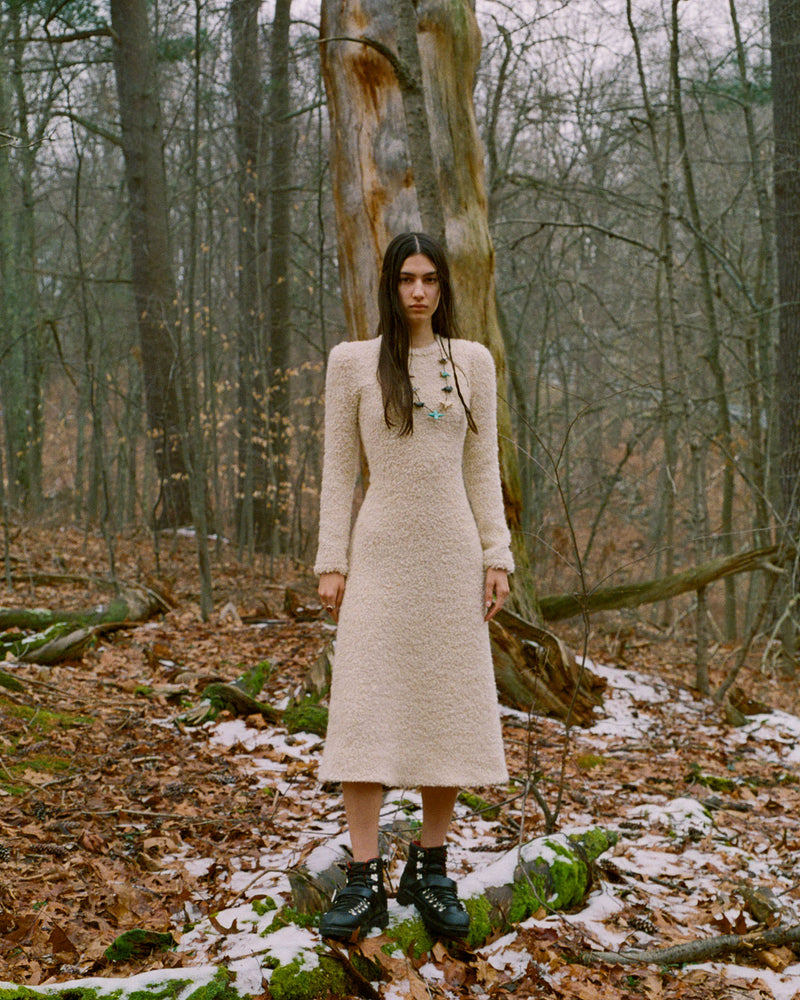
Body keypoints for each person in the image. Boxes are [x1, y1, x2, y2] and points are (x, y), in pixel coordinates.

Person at [314, 232, 513, 943]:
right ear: (390, 286)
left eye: (430, 278)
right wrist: (329, 561)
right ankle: (362, 875)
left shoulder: (473, 363)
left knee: (445, 707)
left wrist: (498, 555)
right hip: (380, 555)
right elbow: (340, 470)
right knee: (365, 707)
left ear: (444, 287)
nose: (419, 291)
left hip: (451, 556)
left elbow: (482, 467)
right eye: (407, 278)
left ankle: (431, 865)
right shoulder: (353, 364)